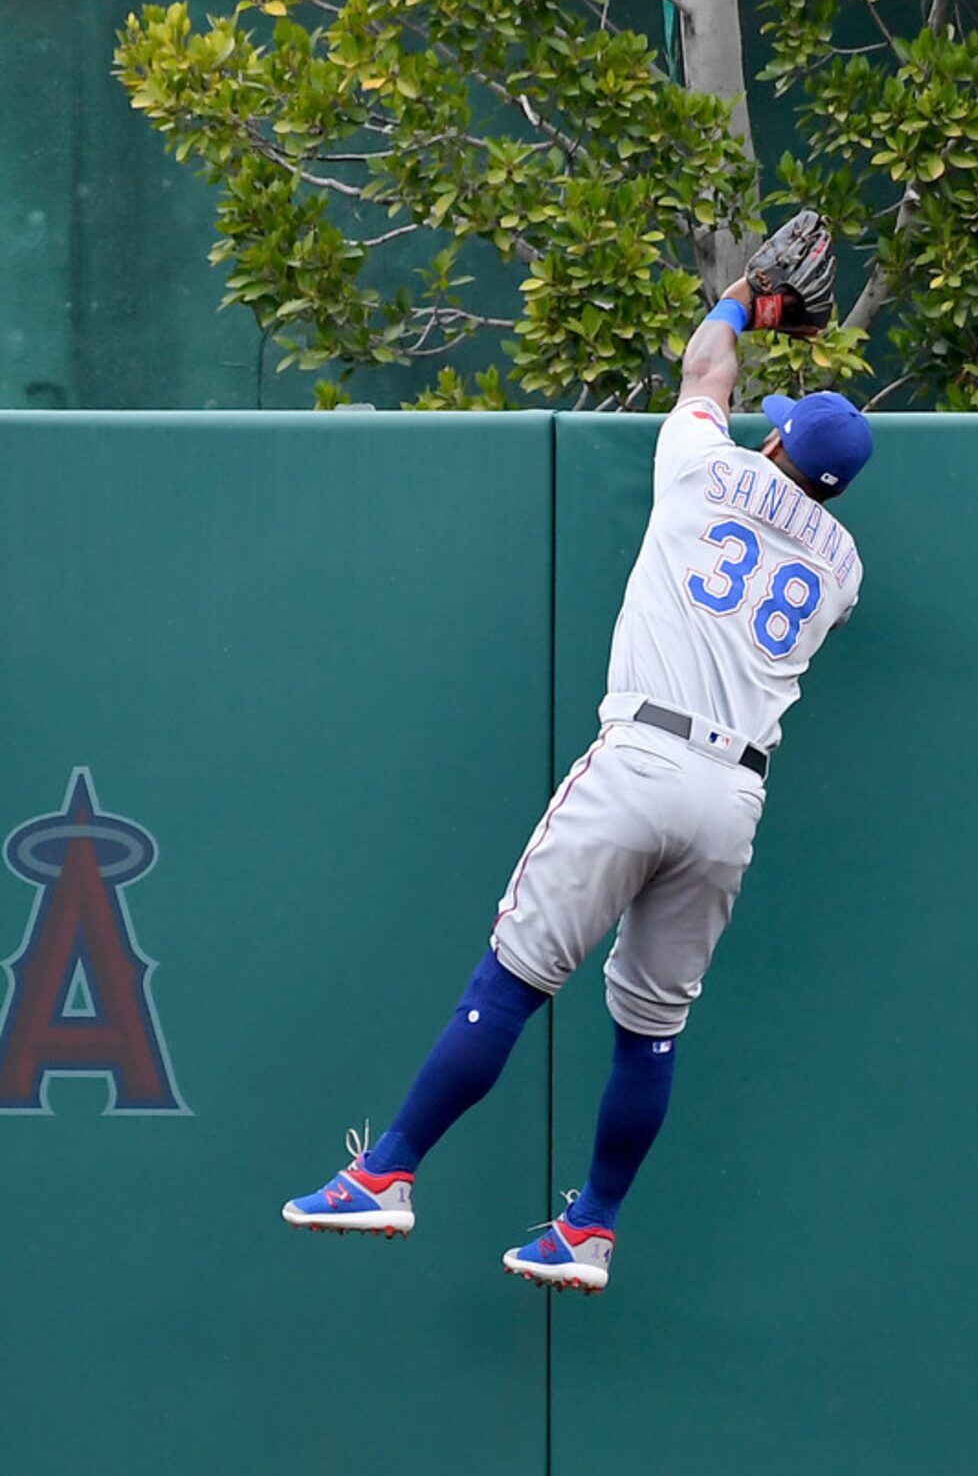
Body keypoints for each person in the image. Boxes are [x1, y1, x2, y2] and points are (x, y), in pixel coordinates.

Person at [282, 215, 872, 1292]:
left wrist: (746, 299)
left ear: (780, 447)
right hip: (732, 799)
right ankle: (590, 1228)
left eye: (778, 431)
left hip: (642, 759)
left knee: (512, 980)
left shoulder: (702, 469)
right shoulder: (842, 568)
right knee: (650, 1029)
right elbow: (790, 501)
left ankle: (386, 1176)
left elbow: (707, 366)